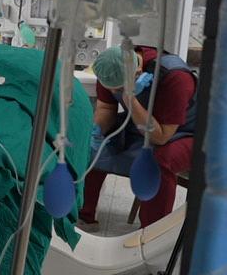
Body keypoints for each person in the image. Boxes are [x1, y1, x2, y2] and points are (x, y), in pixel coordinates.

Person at [77, 44, 198, 229]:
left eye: (119, 89)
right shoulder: (109, 68)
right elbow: (106, 108)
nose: (114, 93)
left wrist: (130, 99)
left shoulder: (175, 78)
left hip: (187, 132)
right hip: (142, 123)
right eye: (112, 89)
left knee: (159, 161)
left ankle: (152, 231)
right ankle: (84, 216)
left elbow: (161, 137)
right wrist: (96, 130)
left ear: (138, 73)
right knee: (91, 146)